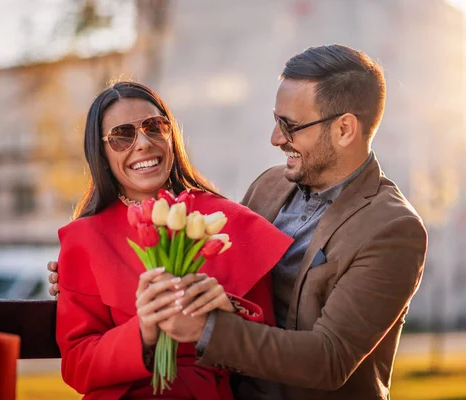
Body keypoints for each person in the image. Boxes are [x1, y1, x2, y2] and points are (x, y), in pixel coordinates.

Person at [50, 44, 428, 400]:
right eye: (120, 136)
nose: (275, 138)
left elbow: (329, 358)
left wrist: (208, 325)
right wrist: (81, 275)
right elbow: (237, 273)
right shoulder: (269, 187)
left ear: (344, 129)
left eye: (290, 125)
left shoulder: (390, 228)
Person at [54, 81, 292, 400]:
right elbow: (77, 365)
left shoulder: (228, 220)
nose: (142, 143)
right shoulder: (84, 238)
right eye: (122, 136)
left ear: (171, 134)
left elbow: (268, 346)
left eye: (155, 127)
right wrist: (143, 333)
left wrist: (224, 313)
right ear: (101, 152)